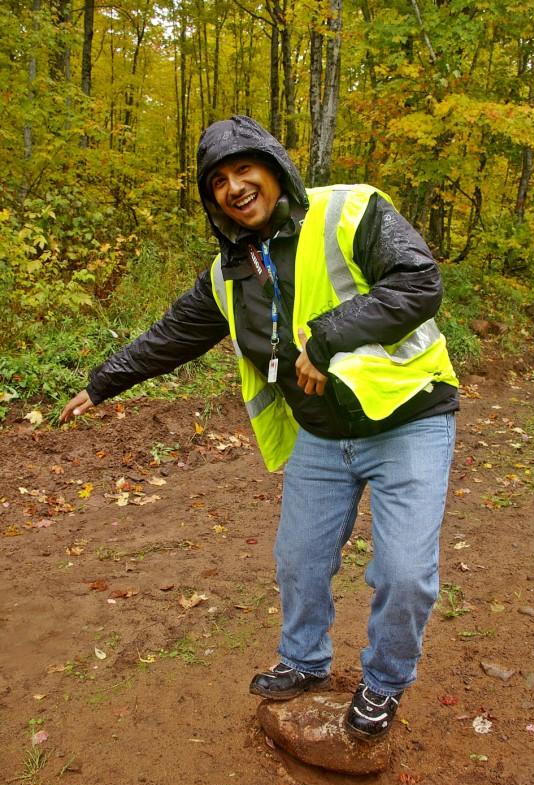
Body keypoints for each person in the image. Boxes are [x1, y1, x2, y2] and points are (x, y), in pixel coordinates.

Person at [61, 115, 459, 742]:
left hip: (409, 420)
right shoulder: (227, 273)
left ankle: (382, 683)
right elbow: (171, 336)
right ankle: (303, 662)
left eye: (244, 168)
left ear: (275, 168)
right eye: (217, 180)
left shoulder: (349, 210)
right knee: (299, 561)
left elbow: (418, 283)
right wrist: (101, 382)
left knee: (404, 571)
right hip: (321, 435)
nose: (234, 186)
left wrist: (328, 336)